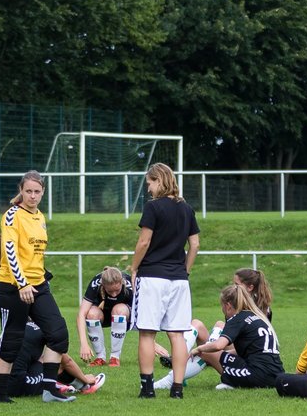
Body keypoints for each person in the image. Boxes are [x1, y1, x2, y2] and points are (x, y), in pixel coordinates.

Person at [0, 171, 75, 403]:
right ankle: (0, 395)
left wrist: (36, 280)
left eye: (37, 192)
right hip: (11, 286)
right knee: (12, 340)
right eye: (28, 191)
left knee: (58, 333)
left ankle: (49, 390)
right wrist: (22, 283)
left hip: (38, 285)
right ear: (21, 190)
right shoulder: (12, 215)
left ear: (43, 192)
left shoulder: (40, 216)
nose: (33, 196)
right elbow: (10, 251)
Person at [129, 163, 200, 399]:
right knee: (177, 335)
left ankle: (147, 388)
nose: (148, 189)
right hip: (179, 280)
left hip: (152, 277)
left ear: (158, 180)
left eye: (149, 183)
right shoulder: (187, 208)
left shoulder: (153, 207)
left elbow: (143, 242)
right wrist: (185, 270)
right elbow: (195, 245)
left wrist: (134, 267)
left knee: (147, 334)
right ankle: (177, 389)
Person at [189, 283, 284, 391]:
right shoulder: (257, 316)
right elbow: (250, 350)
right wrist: (224, 355)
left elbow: (218, 345)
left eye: (222, 306)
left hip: (258, 376)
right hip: (276, 376)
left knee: (206, 352)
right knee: (215, 352)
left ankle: (171, 380)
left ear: (228, 306)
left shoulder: (237, 319)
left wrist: (198, 349)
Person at [0, 320, 107, 397]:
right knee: (53, 360)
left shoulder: (12, 325)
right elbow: (67, 361)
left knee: (41, 358)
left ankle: (60, 385)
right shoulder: (45, 329)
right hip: (12, 388)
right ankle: (84, 387)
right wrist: (85, 378)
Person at [76, 266, 134, 367]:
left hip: (123, 315)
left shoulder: (130, 283)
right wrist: (84, 344)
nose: (114, 294)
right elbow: (81, 314)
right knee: (91, 313)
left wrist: (150, 341)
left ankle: (114, 358)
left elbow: (141, 312)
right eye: (110, 291)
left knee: (118, 309)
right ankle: (100, 357)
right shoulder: (96, 283)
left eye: (117, 290)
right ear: (103, 285)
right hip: (103, 315)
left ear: (121, 282)